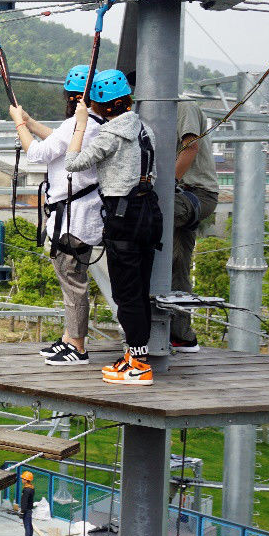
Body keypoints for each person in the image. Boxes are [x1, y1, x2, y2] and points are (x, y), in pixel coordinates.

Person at [66, 70, 162, 385]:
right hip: (149, 211)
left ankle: (138, 364)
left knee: (126, 292)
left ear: (103, 107)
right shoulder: (145, 129)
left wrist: (80, 123)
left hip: (123, 215)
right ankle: (136, 356)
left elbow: (73, 162)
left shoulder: (110, 134)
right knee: (140, 290)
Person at [11, 64, 104, 367]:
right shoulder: (90, 122)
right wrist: (30, 122)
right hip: (80, 213)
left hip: (73, 218)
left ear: (72, 96)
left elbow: (38, 154)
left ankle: (76, 345)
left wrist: (18, 125)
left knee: (72, 280)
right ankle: (69, 338)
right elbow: (57, 141)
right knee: (71, 278)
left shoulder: (82, 125)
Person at [171, 97, 218, 352]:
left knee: (147, 218)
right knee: (178, 264)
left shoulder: (183, 107)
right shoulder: (148, 114)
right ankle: (181, 335)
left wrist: (165, 185)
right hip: (179, 192)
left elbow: (190, 148)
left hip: (196, 193)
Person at [19, 472, 36, 536]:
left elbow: (24, 501)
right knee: (29, 523)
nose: (22, 480)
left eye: (23, 478)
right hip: (29, 509)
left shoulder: (26, 490)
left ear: (26, 480)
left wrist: (22, 511)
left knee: (27, 524)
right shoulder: (31, 488)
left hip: (26, 510)